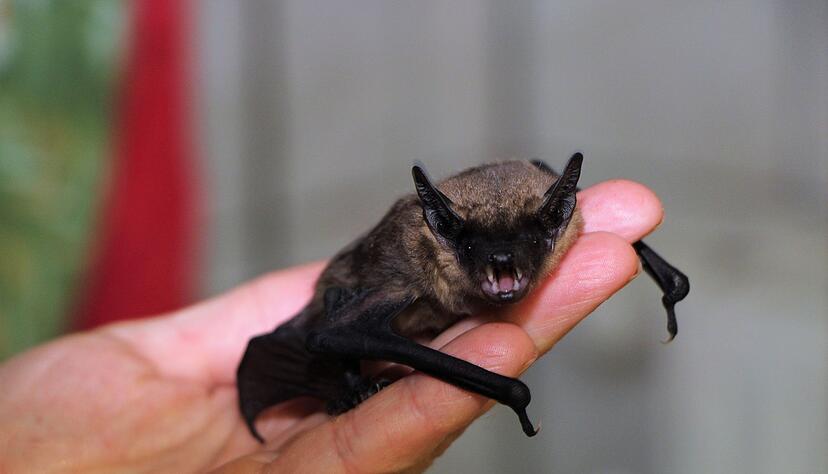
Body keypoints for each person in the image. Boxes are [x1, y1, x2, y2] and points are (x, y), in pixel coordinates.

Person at [0, 180, 662, 473]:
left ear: (557, 220)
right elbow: (336, 326)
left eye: (526, 246)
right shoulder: (411, 263)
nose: (501, 268)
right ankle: (343, 381)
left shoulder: (556, 210)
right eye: (475, 251)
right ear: (441, 234)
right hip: (355, 301)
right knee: (342, 338)